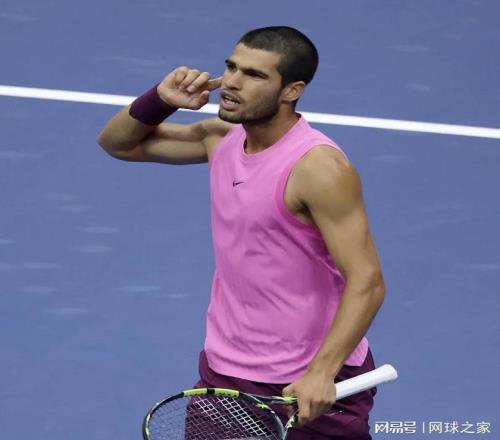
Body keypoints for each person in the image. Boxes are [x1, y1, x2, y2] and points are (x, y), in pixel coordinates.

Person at [98, 26, 385, 440]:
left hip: (309, 382)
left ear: (292, 91)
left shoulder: (319, 169)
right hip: (225, 375)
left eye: (253, 75)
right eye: (231, 67)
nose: (231, 82)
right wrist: (160, 99)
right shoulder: (220, 139)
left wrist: (321, 372)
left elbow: (367, 280)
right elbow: (117, 143)